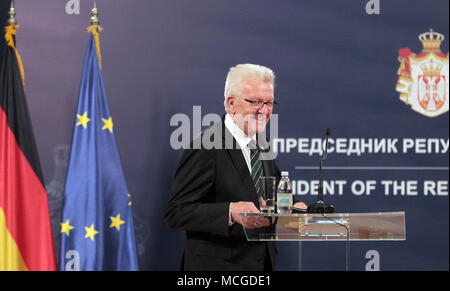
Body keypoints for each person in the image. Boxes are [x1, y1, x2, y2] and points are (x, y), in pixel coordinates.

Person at [165, 63, 307, 271]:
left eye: (269, 103)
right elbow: (176, 212)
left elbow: (271, 196)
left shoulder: (262, 144)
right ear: (232, 103)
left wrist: (296, 208)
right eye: (255, 102)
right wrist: (230, 212)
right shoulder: (206, 146)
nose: (264, 110)